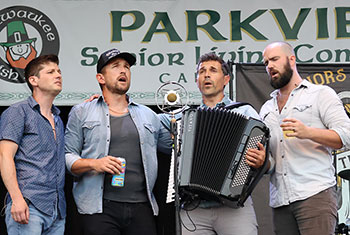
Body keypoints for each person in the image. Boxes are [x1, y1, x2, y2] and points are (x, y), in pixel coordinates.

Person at [64, 48, 171, 235]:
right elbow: (67, 157)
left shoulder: (149, 115)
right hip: (99, 208)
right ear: (101, 78)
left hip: (142, 207)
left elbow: (175, 148)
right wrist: (95, 164)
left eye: (127, 67)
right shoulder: (82, 112)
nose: (123, 71)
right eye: (115, 66)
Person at [160, 52, 266, 235]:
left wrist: (261, 160)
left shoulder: (245, 111)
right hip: (194, 208)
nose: (206, 75)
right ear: (197, 81)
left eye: (212, 70)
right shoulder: (184, 117)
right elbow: (146, 126)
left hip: (233, 207)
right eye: (202, 71)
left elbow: (265, 157)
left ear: (226, 79)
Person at [260, 41, 350, 235]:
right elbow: (272, 160)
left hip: (315, 194)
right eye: (266, 62)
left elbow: (347, 135)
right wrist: (263, 162)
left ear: (292, 59)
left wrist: (308, 132)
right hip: (280, 201)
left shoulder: (320, 94)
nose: (270, 66)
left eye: (275, 59)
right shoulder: (266, 109)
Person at [0, 54, 66, 234]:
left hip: (57, 209)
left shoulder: (58, 118)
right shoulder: (18, 112)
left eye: (59, 71)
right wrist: (16, 199)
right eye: (51, 71)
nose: (58, 75)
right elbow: (5, 156)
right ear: (33, 80)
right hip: (29, 205)